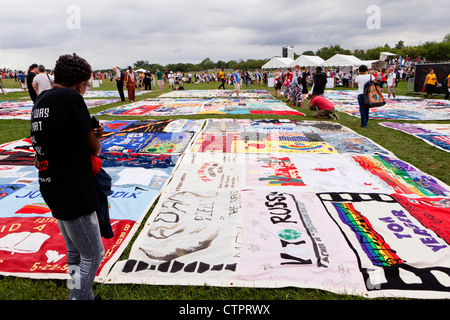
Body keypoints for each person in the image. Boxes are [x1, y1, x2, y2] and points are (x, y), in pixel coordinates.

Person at [30, 53, 105, 300]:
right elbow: (93, 147)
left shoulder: (42, 98)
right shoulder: (71, 97)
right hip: (73, 186)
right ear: (80, 83)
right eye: (86, 84)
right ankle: (78, 296)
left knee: (74, 249)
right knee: (93, 254)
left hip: (51, 182)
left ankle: (81, 291)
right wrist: (97, 135)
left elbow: (58, 136)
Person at [354, 65, 372, 129]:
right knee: (367, 108)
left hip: (361, 93)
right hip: (368, 94)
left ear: (360, 70)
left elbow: (355, 84)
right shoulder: (370, 76)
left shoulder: (358, 77)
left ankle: (364, 124)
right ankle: (365, 121)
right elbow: (375, 81)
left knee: (362, 109)